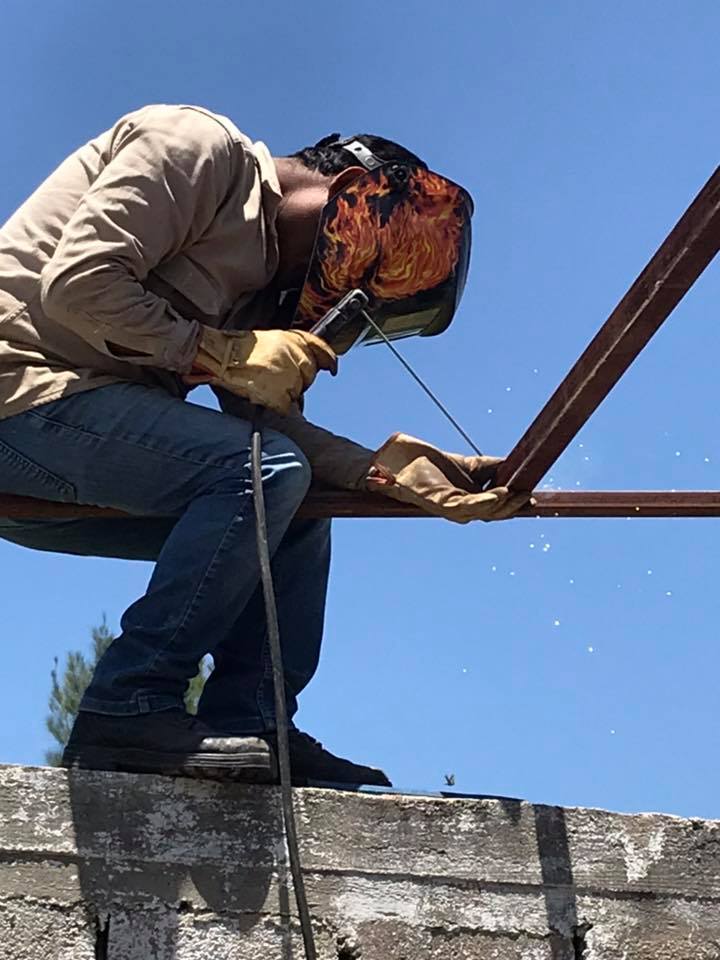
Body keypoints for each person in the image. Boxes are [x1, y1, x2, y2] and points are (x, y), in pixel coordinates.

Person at [0, 105, 528, 786]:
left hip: (65, 447)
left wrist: (382, 472)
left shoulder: (260, 288)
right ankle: (125, 708)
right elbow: (78, 284)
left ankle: (249, 723)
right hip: (19, 400)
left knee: (301, 501)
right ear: (354, 200)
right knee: (264, 473)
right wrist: (214, 351)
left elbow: (272, 431)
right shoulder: (193, 148)